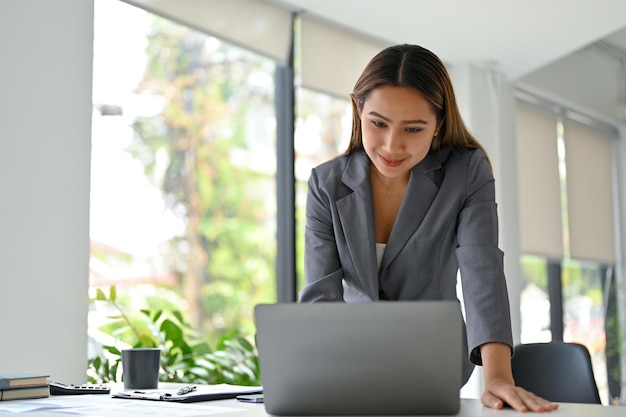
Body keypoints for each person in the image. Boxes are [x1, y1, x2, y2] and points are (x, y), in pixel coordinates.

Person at [300, 44, 558, 413]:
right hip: (351, 367)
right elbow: (321, 297)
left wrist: (498, 377)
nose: (392, 145)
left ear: (438, 124)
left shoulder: (467, 172)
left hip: (435, 361)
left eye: (413, 128)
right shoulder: (326, 183)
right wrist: (313, 376)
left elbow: (480, 270)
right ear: (358, 110)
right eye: (378, 123)